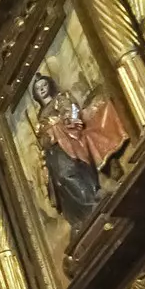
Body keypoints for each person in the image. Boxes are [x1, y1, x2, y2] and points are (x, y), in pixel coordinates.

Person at [29, 71, 126, 224]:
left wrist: (63, 122)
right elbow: (42, 136)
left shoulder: (60, 99)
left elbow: (71, 111)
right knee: (60, 178)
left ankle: (92, 196)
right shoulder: (41, 115)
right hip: (53, 148)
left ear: (49, 86)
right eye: (38, 88)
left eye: (43, 85)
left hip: (68, 136)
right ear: (36, 94)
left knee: (67, 171)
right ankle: (83, 211)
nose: (41, 89)